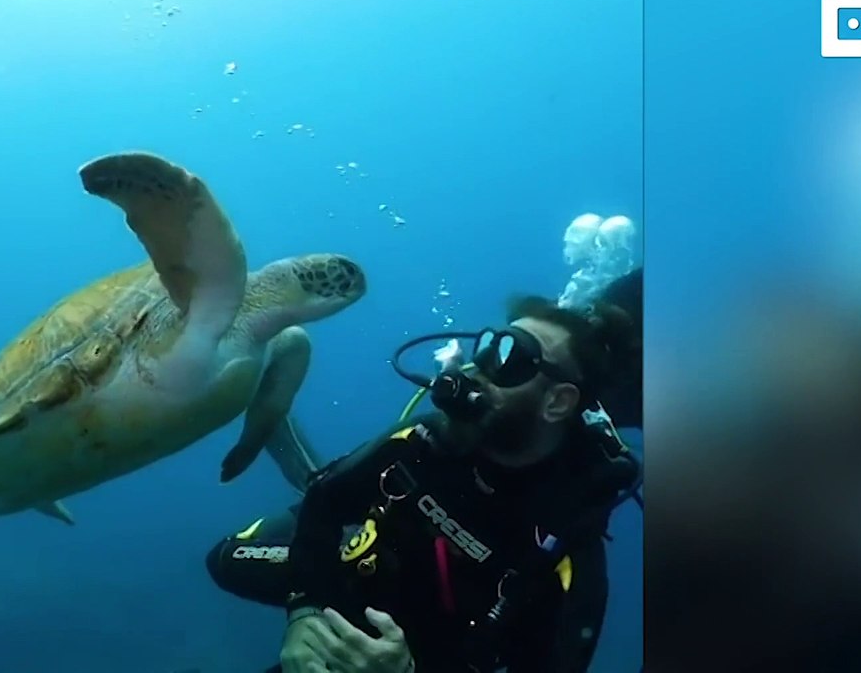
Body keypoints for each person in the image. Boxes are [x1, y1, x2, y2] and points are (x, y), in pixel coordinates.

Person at [205, 287, 643, 673]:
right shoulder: (423, 441)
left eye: (511, 358)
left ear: (558, 402)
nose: (478, 369)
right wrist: (305, 612)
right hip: (360, 582)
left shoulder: (566, 548)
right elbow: (324, 499)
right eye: (485, 347)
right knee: (227, 559)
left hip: (432, 656)